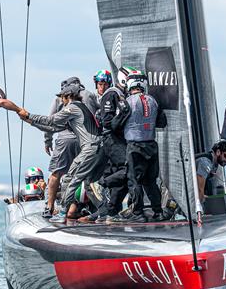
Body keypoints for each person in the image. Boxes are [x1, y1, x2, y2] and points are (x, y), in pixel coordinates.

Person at [18, 81, 102, 223]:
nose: (60, 100)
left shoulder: (72, 107)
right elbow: (54, 127)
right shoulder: (81, 108)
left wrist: (29, 115)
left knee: (71, 180)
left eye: (62, 97)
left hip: (90, 148)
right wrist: (30, 122)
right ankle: (105, 210)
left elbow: (51, 120)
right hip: (98, 147)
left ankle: (62, 212)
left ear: (68, 96)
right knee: (89, 182)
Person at [109, 74, 167, 223]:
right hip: (152, 145)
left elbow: (115, 125)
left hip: (135, 146)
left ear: (130, 85)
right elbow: (162, 122)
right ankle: (158, 212)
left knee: (134, 180)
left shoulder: (127, 102)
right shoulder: (153, 101)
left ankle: (137, 213)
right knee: (151, 181)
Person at [80, 68, 130, 223]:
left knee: (120, 174)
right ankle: (102, 198)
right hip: (109, 141)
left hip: (113, 141)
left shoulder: (109, 96)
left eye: (103, 84)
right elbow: (107, 122)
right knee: (123, 171)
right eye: (99, 84)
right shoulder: (105, 96)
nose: (101, 87)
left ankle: (111, 210)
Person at [42, 78, 89, 217]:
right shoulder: (88, 95)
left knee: (56, 173)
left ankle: (49, 206)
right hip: (83, 140)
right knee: (79, 175)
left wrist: (47, 140)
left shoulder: (59, 99)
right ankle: (73, 209)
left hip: (65, 139)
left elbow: (50, 121)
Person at [195, 139, 226, 204]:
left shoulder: (213, 162)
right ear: (218, 152)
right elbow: (199, 190)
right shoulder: (205, 162)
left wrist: (202, 195)